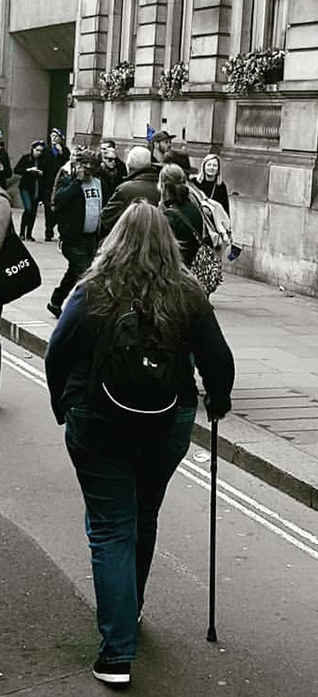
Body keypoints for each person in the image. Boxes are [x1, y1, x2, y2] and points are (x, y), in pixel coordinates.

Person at [43, 202, 234, 687]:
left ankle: (116, 653)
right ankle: (132, 607)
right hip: (166, 423)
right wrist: (218, 400)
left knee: (110, 529)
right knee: (143, 515)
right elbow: (219, 359)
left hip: (97, 422)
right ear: (169, 242)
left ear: (116, 238)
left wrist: (62, 403)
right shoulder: (187, 292)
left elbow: (58, 351)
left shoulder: (93, 289)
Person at [47, 149, 105, 319]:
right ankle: (84, 313)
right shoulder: (68, 182)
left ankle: (56, 301)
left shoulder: (98, 183)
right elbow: (59, 201)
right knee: (87, 275)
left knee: (74, 272)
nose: (86, 169)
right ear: (76, 165)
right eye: (83, 165)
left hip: (92, 237)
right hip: (73, 239)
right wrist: (77, 182)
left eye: (90, 166)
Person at [100, 146, 162, 237]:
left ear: (129, 166)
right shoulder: (162, 188)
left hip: (128, 240)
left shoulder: (125, 190)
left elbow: (106, 218)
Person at [158, 164, 204, 267]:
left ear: (163, 185)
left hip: (177, 270)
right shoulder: (194, 205)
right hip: (193, 267)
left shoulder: (170, 215)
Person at [14, 140, 48, 240]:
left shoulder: (43, 161)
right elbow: (16, 170)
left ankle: (29, 234)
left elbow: (47, 175)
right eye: (37, 150)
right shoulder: (26, 158)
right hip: (26, 187)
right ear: (33, 149)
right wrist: (28, 170)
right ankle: (21, 232)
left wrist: (41, 173)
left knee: (33, 211)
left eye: (41, 151)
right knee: (28, 209)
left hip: (37, 188)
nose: (39, 153)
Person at [41, 127, 67, 240]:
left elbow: (66, 165)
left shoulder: (65, 151)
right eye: (52, 136)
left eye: (56, 137)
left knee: (58, 209)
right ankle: (48, 231)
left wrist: (61, 153)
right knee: (48, 209)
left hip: (60, 184)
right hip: (48, 183)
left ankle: (54, 226)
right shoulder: (46, 150)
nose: (54, 139)